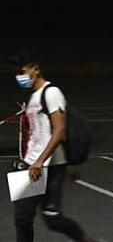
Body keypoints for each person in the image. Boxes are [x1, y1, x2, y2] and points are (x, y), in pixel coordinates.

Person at [10, 52, 94, 242]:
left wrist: (42, 161)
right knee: (22, 218)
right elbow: (38, 134)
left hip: (44, 164)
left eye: (22, 71)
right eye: (16, 73)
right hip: (30, 163)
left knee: (52, 218)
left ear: (36, 69)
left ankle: (85, 239)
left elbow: (59, 129)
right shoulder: (33, 97)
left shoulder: (51, 92)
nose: (19, 76)